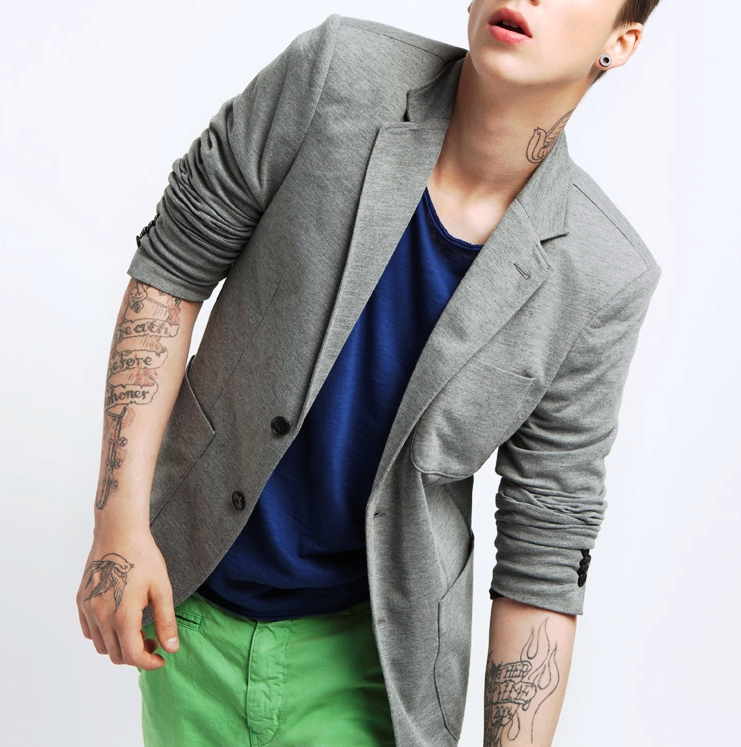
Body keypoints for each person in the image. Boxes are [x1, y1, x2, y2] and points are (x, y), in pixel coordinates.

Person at [76, 1, 662, 745]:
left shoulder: (601, 275)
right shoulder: (335, 76)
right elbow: (174, 263)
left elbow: (545, 541)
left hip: (379, 665)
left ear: (620, 42)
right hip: (189, 605)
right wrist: (120, 525)